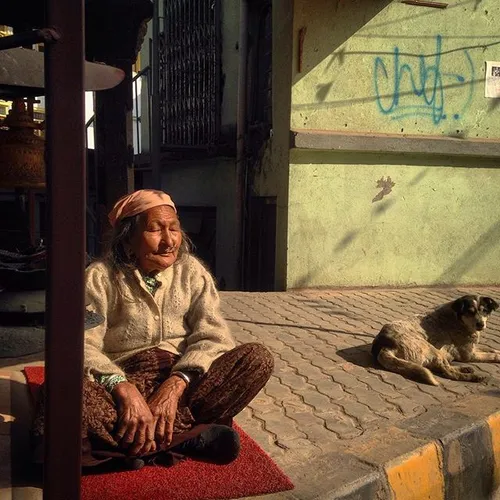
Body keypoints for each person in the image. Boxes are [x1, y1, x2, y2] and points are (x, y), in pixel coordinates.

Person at [33, 189, 274, 468]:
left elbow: (213, 335)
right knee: (61, 392)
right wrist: (123, 389)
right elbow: (82, 343)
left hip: (182, 381)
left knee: (257, 359)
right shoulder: (100, 277)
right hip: (122, 379)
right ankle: (183, 437)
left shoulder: (191, 273)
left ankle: (125, 447)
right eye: (154, 230)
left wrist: (176, 383)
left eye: (174, 228)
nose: (169, 240)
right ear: (128, 239)